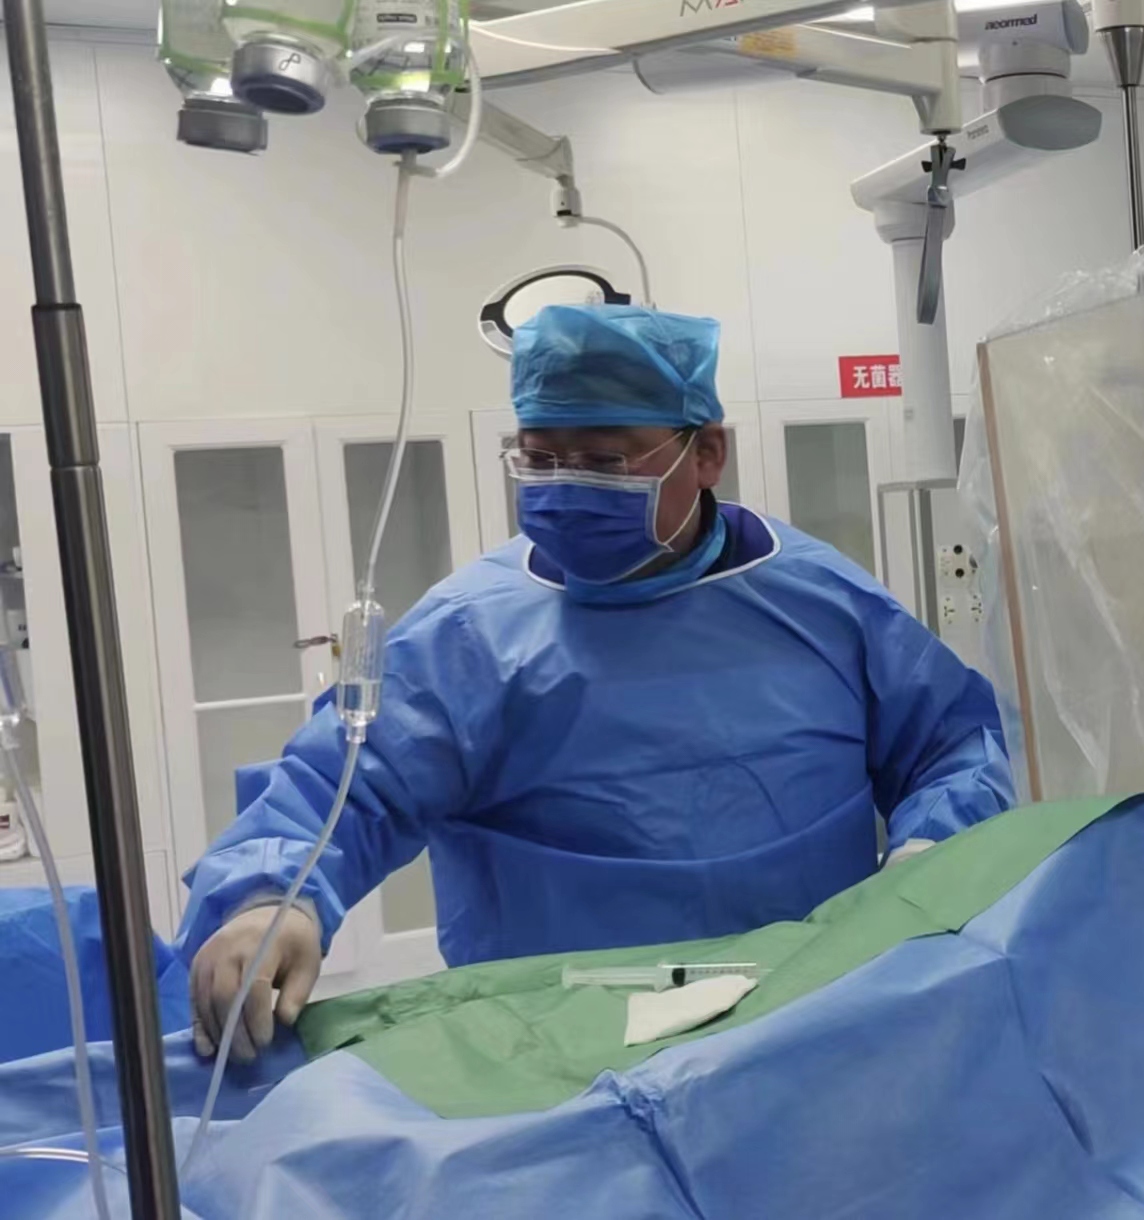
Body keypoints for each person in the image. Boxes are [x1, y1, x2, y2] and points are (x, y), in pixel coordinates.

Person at [178, 304, 1015, 1061]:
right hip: (550, 1057)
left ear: (706, 453)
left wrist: (928, 856)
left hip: (803, 1023)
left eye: (604, 461)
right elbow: (341, 789)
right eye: (539, 458)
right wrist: (273, 898)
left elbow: (953, 743)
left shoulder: (823, 603)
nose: (565, 486)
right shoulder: (466, 636)